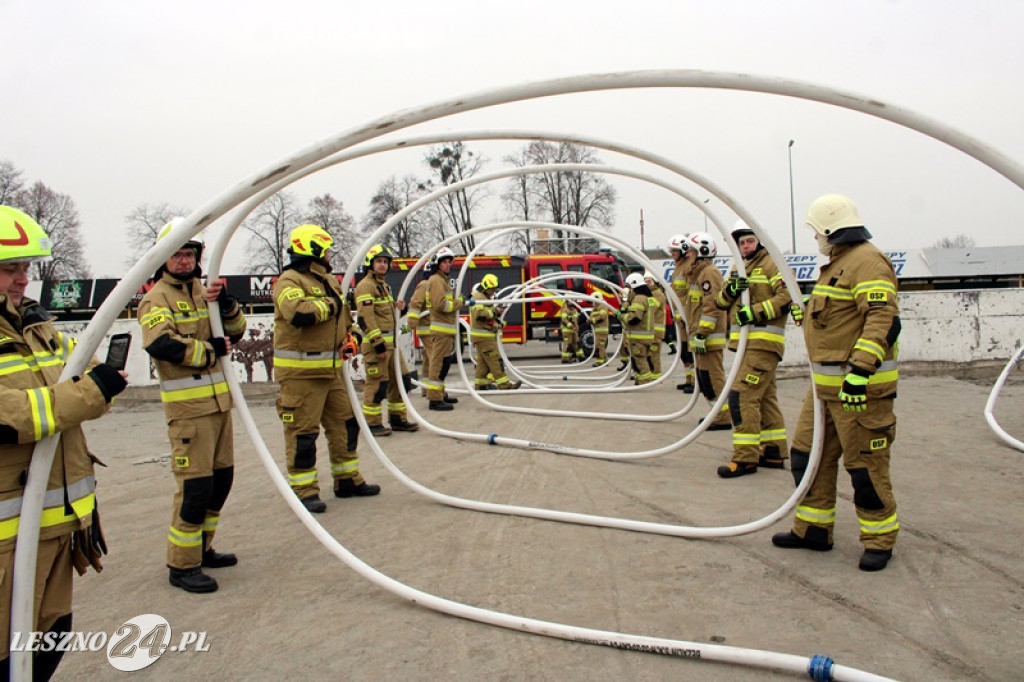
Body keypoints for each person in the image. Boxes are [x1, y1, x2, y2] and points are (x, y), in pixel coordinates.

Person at [0, 206, 127, 678]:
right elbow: (12, 415)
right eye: (9, 268)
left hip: (56, 525)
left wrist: (95, 389)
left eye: (25, 269)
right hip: (8, 533)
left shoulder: (36, 326)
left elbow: (88, 379)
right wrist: (91, 392)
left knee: (50, 636)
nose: (21, 280)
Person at [772, 194, 901, 572]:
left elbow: (882, 318)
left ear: (831, 230)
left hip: (857, 391)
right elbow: (836, 319)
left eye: (817, 233)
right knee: (805, 457)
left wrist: (860, 372)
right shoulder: (838, 265)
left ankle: (879, 538)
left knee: (865, 468)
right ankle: (813, 528)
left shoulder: (867, 262)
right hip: (825, 390)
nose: (816, 239)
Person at [138, 222, 247, 593]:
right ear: (162, 258)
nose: (184, 261)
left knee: (221, 482)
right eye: (176, 254)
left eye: (189, 254)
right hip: (189, 412)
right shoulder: (156, 298)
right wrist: (208, 352)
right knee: (195, 488)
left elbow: (236, 332)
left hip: (219, 407)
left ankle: (202, 547)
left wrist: (228, 305)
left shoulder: (205, 291)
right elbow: (161, 344)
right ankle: (181, 565)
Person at [273, 224, 380, 514]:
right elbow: (297, 312)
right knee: (303, 434)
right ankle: (304, 491)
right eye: (327, 248)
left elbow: (347, 318)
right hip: (301, 375)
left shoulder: (330, 281)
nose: (330, 253)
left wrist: (354, 338)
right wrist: (331, 306)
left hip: (332, 371)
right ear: (314, 249)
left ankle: (347, 479)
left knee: (346, 423)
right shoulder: (289, 280)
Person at [713, 220, 792, 478]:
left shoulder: (773, 263)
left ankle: (745, 458)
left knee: (742, 396)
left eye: (750, 241)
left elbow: (787, 296)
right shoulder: (739, 267)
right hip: (747, 346)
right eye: (742, 242)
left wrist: (754, 312)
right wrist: (732, 289)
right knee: (765, 397)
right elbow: (721, 301)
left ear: (759, 240)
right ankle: (773, 452)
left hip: (763, 343)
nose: (746, 246)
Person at [354, 243, 418, 436]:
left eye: (385, 262)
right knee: (377, 385)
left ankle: (398, 419)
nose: (382, 265)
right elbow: (366, 317)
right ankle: (372, 424)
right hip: (377, 346)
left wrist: (401, 309)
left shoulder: (384, 287)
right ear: (370, 264)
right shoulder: (365, 286)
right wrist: (378, 343)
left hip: (392, 345)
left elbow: (386, 314)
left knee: (403, 381)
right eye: (379, 261)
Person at [682, 232, 731, 430]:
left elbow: (712, 306)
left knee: (713, 377)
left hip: (708, 337)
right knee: (705, 378)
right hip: (701, 336)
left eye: (691, 251)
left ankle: (723, 416)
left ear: (702, 252)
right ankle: (716, 413)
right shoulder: (699, 274)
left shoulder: (709, 273)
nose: (688, 254)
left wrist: (702, 332)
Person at [422, 247, 464, 411]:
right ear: (437, 264)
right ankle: (434, 399)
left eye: (449, 262)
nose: (448, 265)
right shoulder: (436, 281)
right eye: (444, 262)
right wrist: (459, 302)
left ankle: (441, 394)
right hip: (441, 331)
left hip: (446, 331)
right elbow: (441, 305)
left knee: (444, 364)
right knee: (438, 364)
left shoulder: (442, 280)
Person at [469, 274, 521, 390]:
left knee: (483, 363)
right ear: (487, 287)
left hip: (482, 336)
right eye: (493, 289)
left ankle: (481, 384)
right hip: (484, 336)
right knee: (495, 360)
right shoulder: (478, 298)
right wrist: (494, 311)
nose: (494, 292)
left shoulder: (484, 297)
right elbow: (479, 315)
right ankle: (504, 384)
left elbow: (487, 314)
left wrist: (496, 316)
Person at [667, 234, 696, 393]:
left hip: (686, 316)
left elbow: (689, 294)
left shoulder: (687, 267)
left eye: (674, 251)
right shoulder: (678, 267)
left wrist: (685, 315)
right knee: (684, 352)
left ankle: (694, 382)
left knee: (689, 351)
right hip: (679, 317)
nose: (672, 254)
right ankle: (688, 379)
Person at [619, 273, 657, 385]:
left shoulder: (639, 299)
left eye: (629, 288)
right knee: (640, 359)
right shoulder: (647, 298)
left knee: (639, 360)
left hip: (639, 337)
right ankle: (641, 379)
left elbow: (634, 318)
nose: (629, 291)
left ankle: (644, 381)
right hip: (645, 336)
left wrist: (621, 316)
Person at [406, 262, 434, 397]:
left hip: (431, 328)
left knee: (429, 361)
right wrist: (411, 324)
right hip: (428, 328)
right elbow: (415, 303)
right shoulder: (425, 285)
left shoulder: (432, 285)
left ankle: (426, 389)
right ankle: (434, 391)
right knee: (435, 359)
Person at [644, 271, 667, 380]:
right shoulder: (649, 294)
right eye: (645, 281)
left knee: (654, 353)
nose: (647, 283)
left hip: (656, 331)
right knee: (649, 353)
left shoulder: (658, 294)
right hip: (650, 330)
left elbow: (651, 309)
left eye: (649, 281)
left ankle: (656, 375)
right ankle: (652, 373)